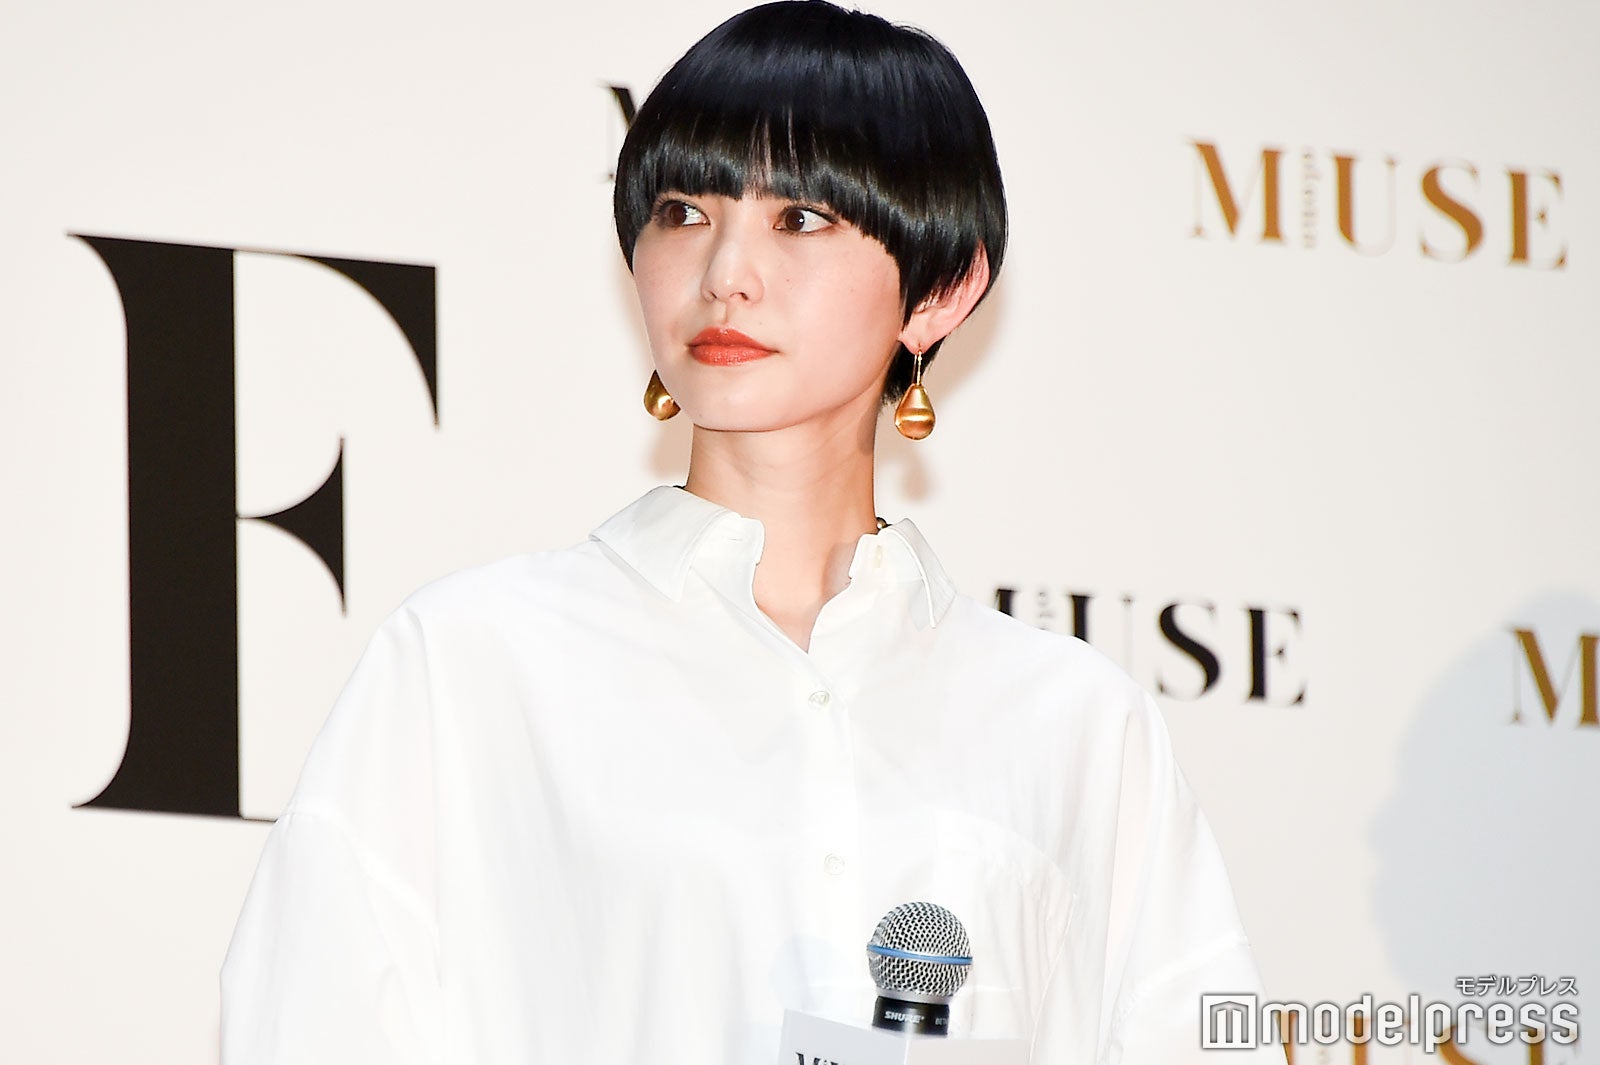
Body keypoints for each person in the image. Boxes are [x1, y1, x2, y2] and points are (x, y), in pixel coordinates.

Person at [221, 3, 1280, 1062]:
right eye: (683, 211)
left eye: (800, 219)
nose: (724, 271)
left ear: (942, 289)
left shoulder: (1073, 724)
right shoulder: (474, 663)